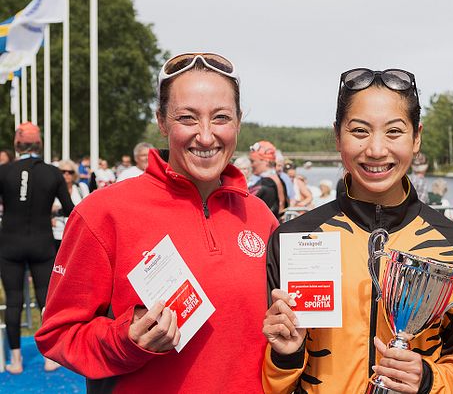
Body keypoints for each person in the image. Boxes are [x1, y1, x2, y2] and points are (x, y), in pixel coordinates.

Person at [35, 52, 277, 393]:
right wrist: (126, 340)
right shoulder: (103, 212)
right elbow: (58, 334)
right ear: (162, 121)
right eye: (188, 118)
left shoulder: (260, 216)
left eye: (220, 117)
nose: (206, 136)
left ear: (238, 121)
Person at [262, 67, 453, 393]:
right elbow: (266, 376)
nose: (375, 150)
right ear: (337, 135)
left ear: (417, 137)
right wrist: (285, 356)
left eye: (393, 132)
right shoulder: (292, 239)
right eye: (359, 131)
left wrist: (428, 380)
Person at [0, 122, 75, 374]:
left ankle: (16, 361)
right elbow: (70, 209)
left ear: (16, 144)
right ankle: (50, 358)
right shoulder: (53, 173)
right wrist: (52, 209)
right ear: (39, 144)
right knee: (46, 299)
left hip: (9, 243)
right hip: (42, 243)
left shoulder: (4, 171)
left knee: (13, 301)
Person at [51, 160, 90, 251]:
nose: (67, 174)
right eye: (63, 172)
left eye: (70, 172)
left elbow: (88, 209)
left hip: (77, 234)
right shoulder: (52, 189)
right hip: (57, 233)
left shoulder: (82, 188)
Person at [249, 140, 288, 219]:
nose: (251, 165)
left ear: (265, 161)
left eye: (253, 161)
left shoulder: (265, 184)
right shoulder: (280, 180)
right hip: (276, 226)